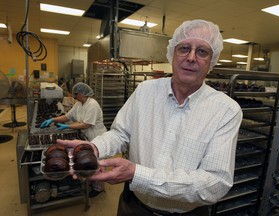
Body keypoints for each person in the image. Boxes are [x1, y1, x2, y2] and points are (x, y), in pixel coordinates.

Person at [58, 19, 243, 215]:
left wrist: (137, 175)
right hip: (133, 207)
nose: (191, 57)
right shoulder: (145, 91)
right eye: (184, 48)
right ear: (172, 53)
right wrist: (95, 147)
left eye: (202, 51)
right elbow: (120, 133)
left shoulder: (225, 111)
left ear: (211, 62)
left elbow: (214, 183)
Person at [40, 82, 107, 197]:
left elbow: (87, 124)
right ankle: (89, 181)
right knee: (87, 162)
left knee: (97, 163)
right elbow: (67, 116)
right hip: (86, 137)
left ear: (81, 93)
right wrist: (53, 120)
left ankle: (98, 188)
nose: (74, 97)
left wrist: (68, 126)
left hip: (96, 136)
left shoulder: (92, 105)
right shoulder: (78, 104)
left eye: (76, 94)